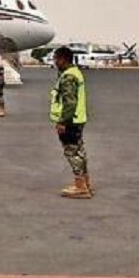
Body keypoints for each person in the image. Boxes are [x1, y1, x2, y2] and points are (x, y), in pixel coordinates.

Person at [50, 46, 93, 199]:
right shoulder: (75, 72)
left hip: (70, 121)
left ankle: (80, 187)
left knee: (72, 152)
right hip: (77, 119)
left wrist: (62, 121)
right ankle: (85, 182)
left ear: (63, 59)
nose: (55, 62)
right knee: (79, 152)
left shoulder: (68, 77)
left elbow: (69, 102)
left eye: (56, 59)